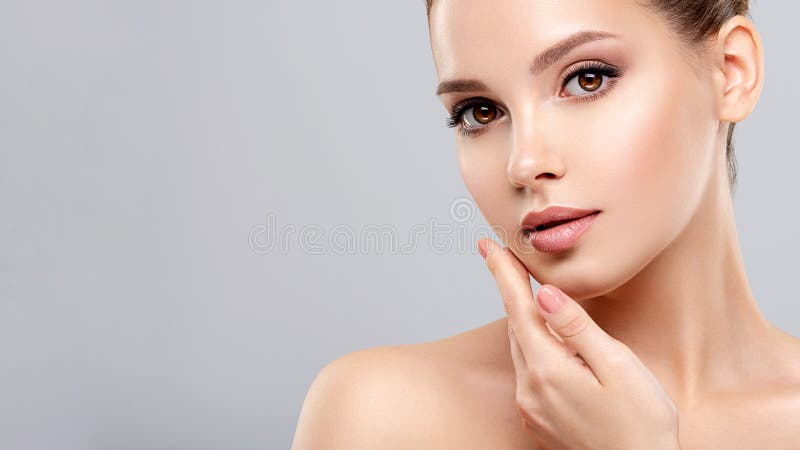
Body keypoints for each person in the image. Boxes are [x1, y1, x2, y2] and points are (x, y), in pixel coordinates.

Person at [291, 1, 800, 448]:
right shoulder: (383, 417)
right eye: (480, 112)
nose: (524, 162)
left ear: (732, 71)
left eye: (587, 78)